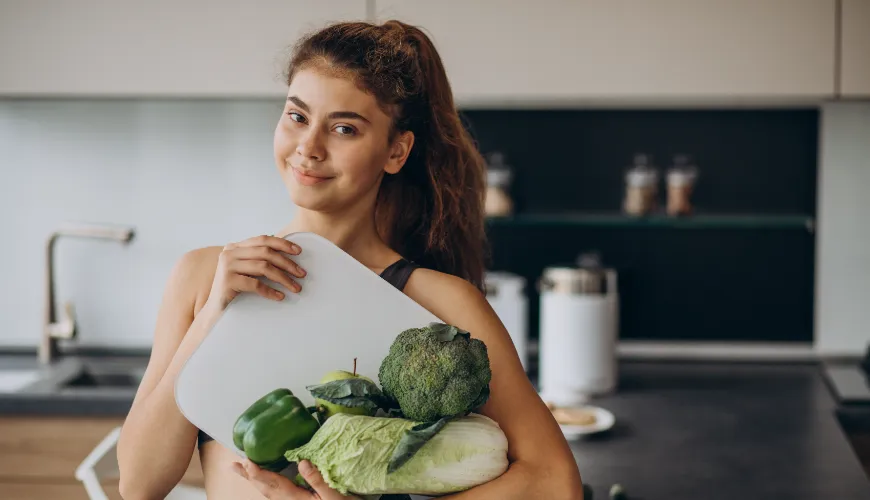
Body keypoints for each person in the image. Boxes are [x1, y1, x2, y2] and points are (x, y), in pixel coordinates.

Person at [117, 19, 584, 500]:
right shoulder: (202, 277)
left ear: (396, 151)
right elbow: (138, 484)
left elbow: (553, 480)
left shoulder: (442, 303)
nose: (309, 147)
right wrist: (215, 311)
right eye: (297, 116)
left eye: (344, 128)